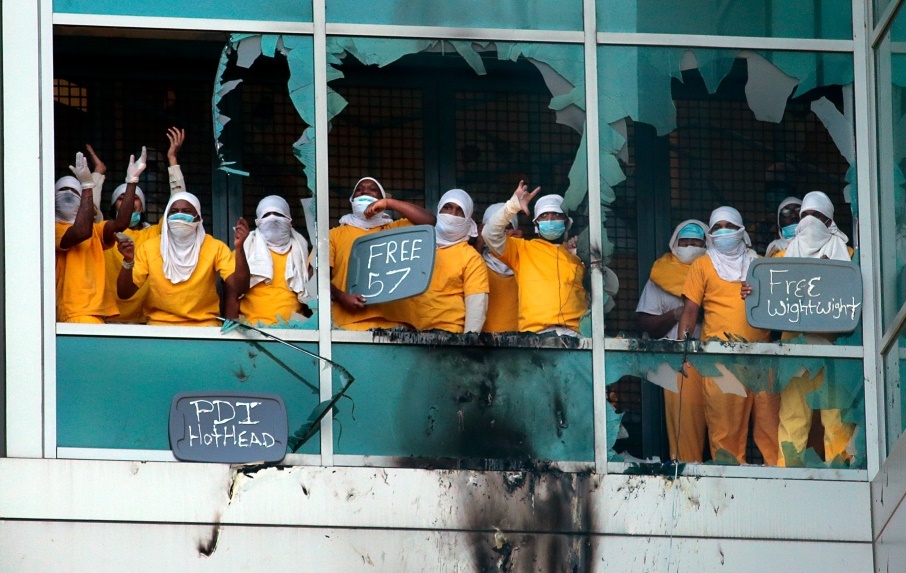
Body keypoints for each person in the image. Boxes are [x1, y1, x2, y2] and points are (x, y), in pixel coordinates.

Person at [745, 190, 856, 466]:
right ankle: (787, 477)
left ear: (829, 220)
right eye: (805, 215)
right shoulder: (782, 259)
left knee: (837, 420)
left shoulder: (850, 257)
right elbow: (767, 294)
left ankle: (843, 476)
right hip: (795, 353)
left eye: (816, 216)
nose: (808, 221)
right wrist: (752, 291)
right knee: (792, 419)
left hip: (836, 356)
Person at [677, 206, 780, 465]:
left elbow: (781, 307)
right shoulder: (702, 265)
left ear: (741, 230)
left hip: (762, 357)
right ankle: (730, 491)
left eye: (730, 226)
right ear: (711, 233)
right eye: (718, 227)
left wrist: (760, 292)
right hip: (720, 360)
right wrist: (683, 350)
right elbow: (690, 311)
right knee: (725, 434)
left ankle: (782, 482)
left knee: (773, 429)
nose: (724, 231)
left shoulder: (759, 264)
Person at [116, 192, 250, 326]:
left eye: (186, 211)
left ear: (198, 218)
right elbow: (124, 293)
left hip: (204, 327)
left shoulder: (215, 247)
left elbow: (239, 288)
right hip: (159, 327)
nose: (179, 216)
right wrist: (128, 261)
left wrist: (239, 248)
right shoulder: (149, 247)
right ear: (166, 218)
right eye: (174, 211)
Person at [636, 219, 709, 462]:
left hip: (717, 362)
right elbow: (646, 324)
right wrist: (677, 314)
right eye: (684, 241)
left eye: (696, 241)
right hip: (678, 367)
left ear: (706, 243)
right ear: (674, 244)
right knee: (684, 427)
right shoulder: (661, 275)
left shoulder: (718, 272)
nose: (689, 246)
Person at [481, 181, 587, 336]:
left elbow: (606, 288)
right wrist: (512, 206)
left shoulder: (576, 256)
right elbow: (489, 234)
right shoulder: (523, 249)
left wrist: (582, 256)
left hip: (574, 336)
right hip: (534, 336)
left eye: (557, 215)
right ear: (536, 224)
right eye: (543, 216)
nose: (550, 219)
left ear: (567, 222)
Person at [328, 177, 436, 330]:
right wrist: (341, 297)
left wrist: (390, 203)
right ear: (351, 199)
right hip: (349, 324)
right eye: (359, 189)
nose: (365, 191)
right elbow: (318, 277)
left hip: (396, 325)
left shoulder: (395, 229)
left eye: (373, 189)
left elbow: (429, 221)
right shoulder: (334, 235)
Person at [104, 127, 185, 323]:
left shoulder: (154, 234)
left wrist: (173, 161)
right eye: (122, 199)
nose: (130, 203)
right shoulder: (105, 232)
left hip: (145, 322)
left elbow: (179, 205)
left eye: (134, 200)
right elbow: (91, 214)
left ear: (142, 207)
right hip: (107, 320)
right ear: (114, 206)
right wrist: (97, 178)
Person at [55, 148, 144, 323]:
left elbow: (121, 223)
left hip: (97, 313)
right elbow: (81, 231)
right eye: (62, 190)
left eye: (73, 192)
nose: (67, 195)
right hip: (75, 312)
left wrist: (131, 182)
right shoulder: (54, 229)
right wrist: (86, 186)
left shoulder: (96, 230)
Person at [399, 189, 489, 333]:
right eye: (447, 208)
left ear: (468, 219)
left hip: (449, 334)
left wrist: (469, 339)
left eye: (460, 211)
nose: (452, 215)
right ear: (438, 211)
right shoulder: (416, 243)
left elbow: (477, 303)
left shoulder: (471, 257)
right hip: (408, 333)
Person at [235, 195, 313, 326]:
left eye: (278, 214)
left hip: (296, 332)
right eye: (266, 215)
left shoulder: (302, 252)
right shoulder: (246, 251)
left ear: (289, 220)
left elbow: (312, 295)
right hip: (252, 331)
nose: (272, 218)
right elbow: (234, 292)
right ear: (258, 222)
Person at [475, 203, 520, 333]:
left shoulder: (523, 264)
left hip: (519, 341)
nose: (500, 233)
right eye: (494, 229)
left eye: (507, 228)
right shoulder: (476, 263)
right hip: (482, 341)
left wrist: (519, 245)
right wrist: (479, 242)